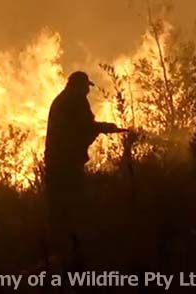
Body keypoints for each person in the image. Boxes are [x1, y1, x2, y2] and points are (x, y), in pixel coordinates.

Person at [43, 71, 125, 257]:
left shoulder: (60, 100)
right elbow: (85, 127)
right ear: (79, 86)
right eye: (86, 87)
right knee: (75, 210)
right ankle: (75, 257)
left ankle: (58, 255)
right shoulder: (75, 101)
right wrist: (107, 128)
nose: (88, 91)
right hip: (68, 165)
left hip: (55, 164)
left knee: (58, 213)